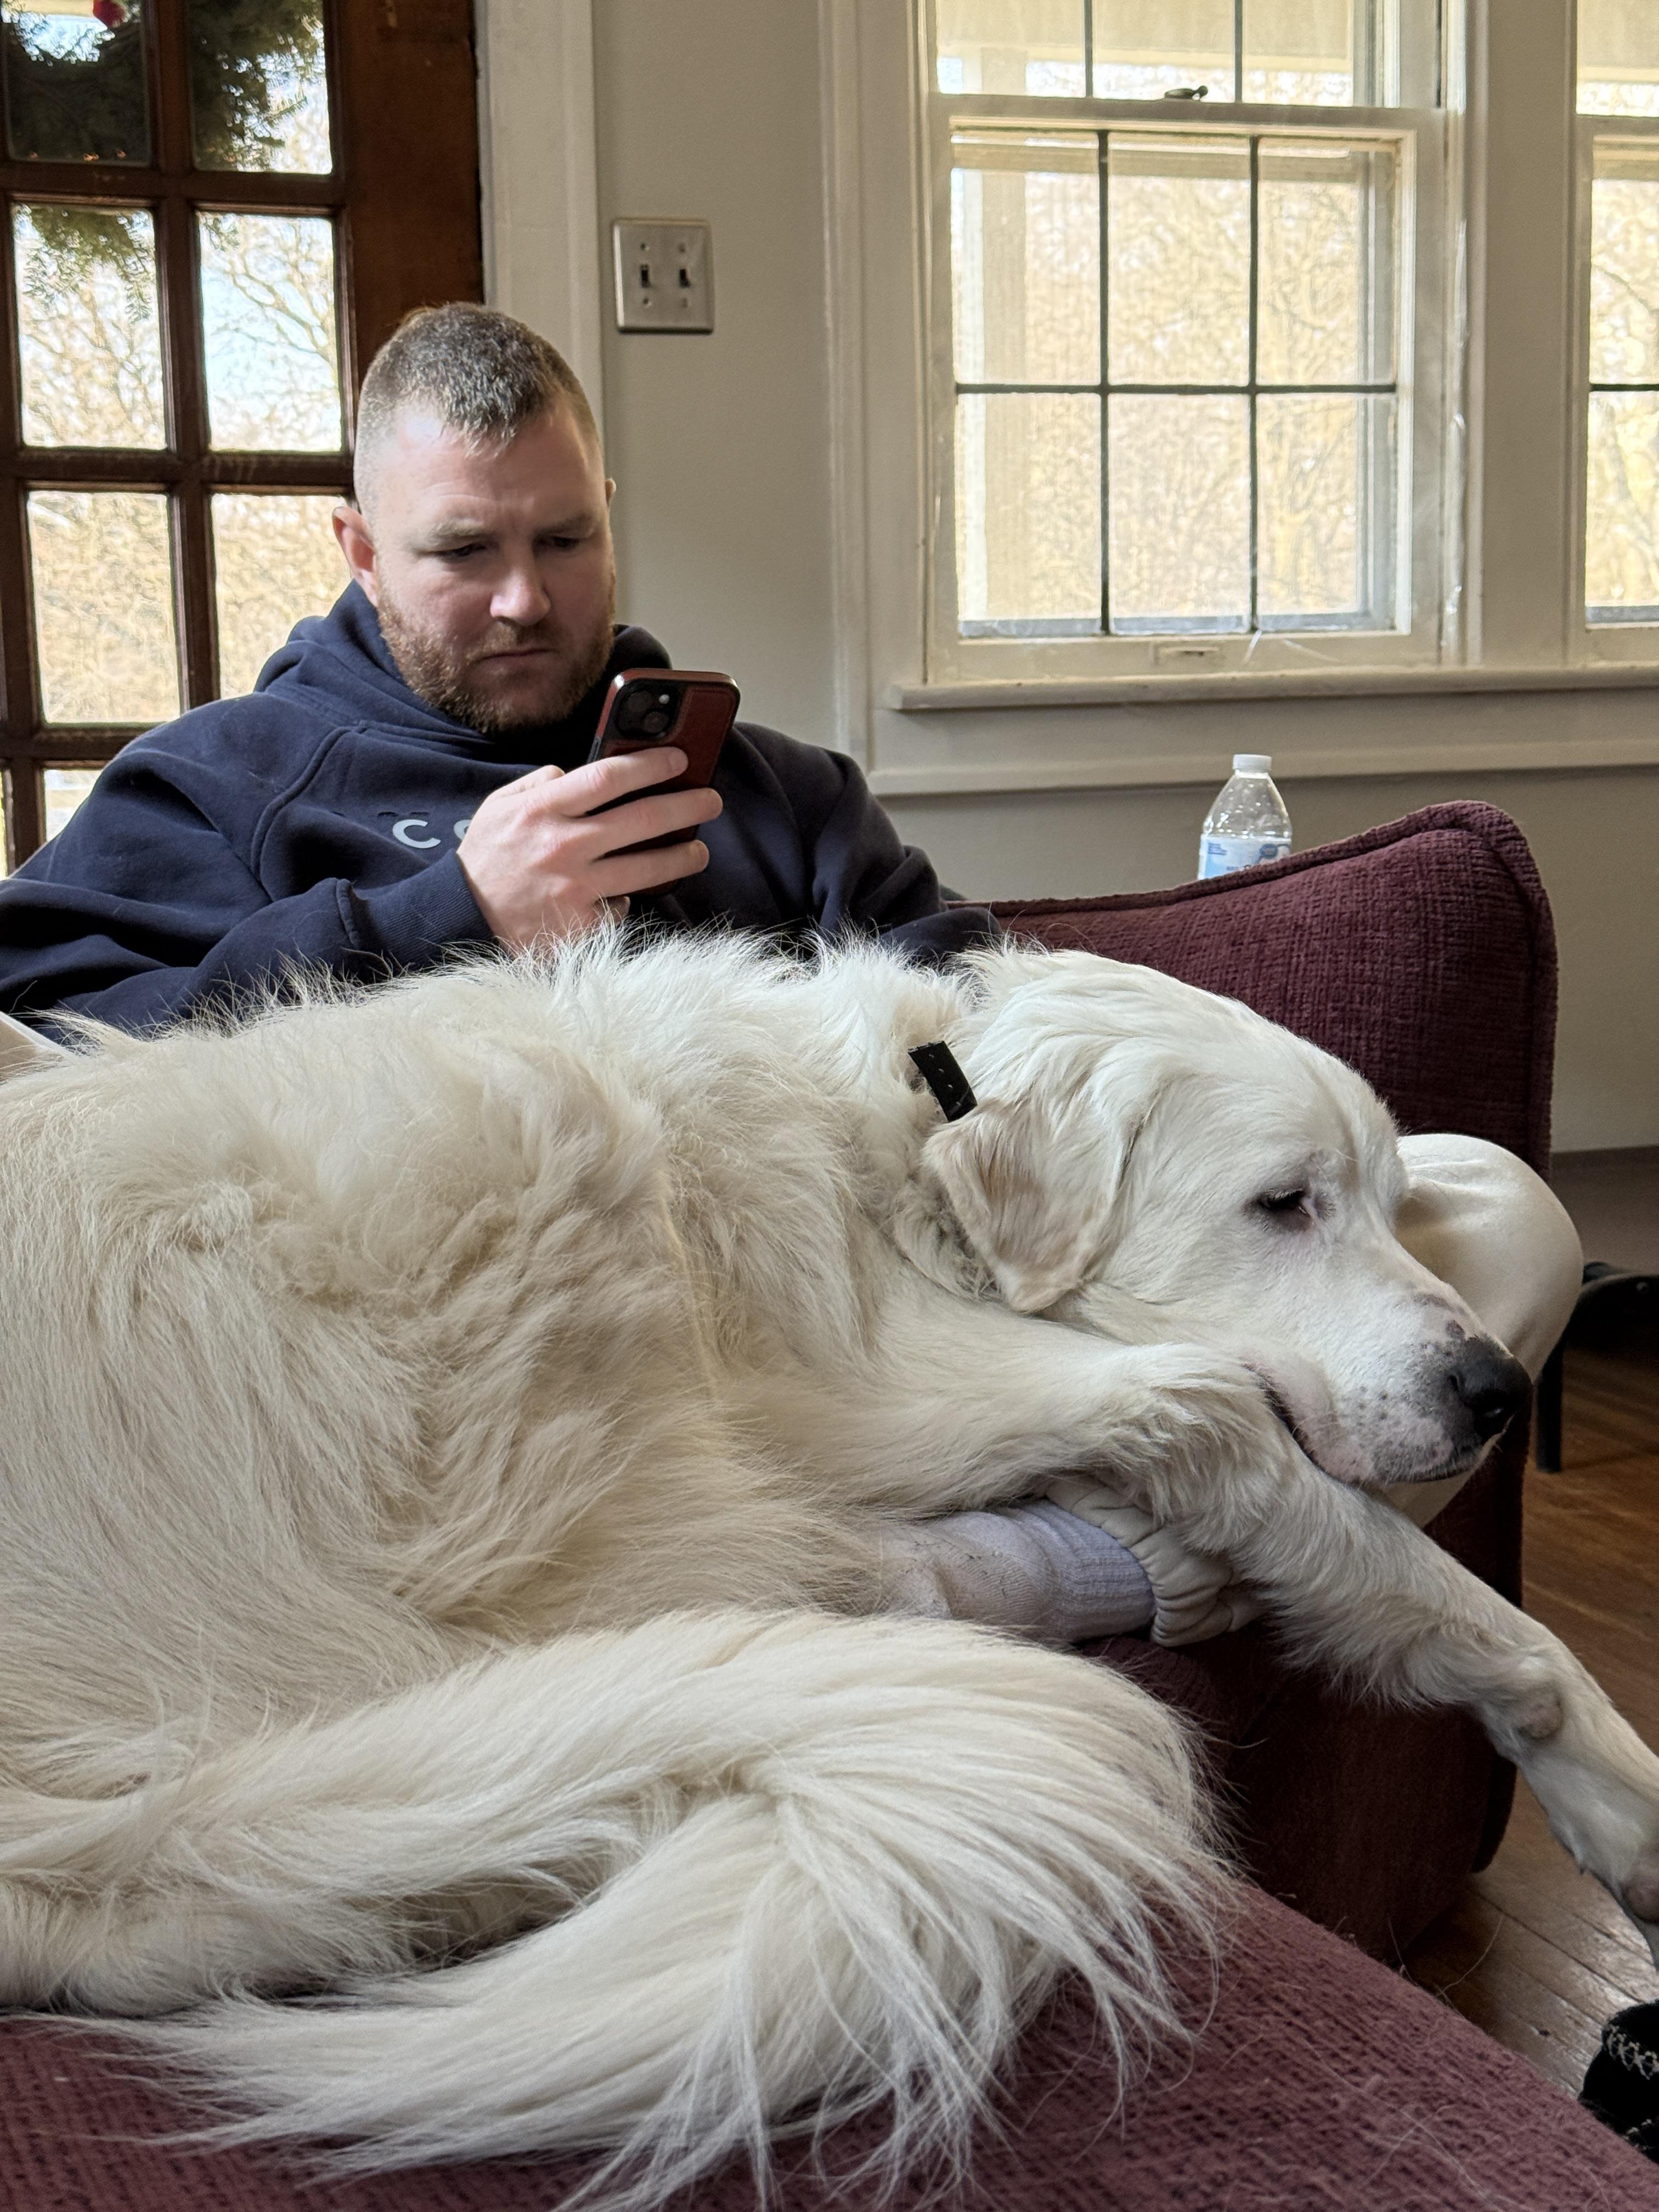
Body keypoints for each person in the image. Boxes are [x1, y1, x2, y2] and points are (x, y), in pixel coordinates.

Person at [0, 304, 1582, 1649]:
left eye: (566, 539)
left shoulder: (775, 787)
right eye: (461, 552)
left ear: (613, 507)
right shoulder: (227, 780)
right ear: (354, 548)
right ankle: (1083, 1562)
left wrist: (1001, 1131)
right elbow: (61, 1054)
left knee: (1493, 1208)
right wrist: (447, 910)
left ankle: (999, 1571)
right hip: (595, 1378)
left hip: (942, 1311)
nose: (524, 599)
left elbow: (972, 1016)